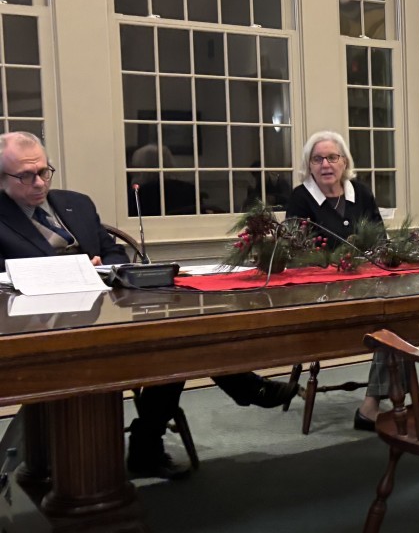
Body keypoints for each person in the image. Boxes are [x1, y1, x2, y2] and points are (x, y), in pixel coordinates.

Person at [0, 132, 297, 479]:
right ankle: (158, 438)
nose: (39, 182)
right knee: (174, 347)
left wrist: (102, 266)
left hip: (105, 308)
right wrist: (64, 271)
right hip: (39, 324)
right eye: (26, 176)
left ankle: (151, 444)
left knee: (175, 336)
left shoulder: (75, 203)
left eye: (44, 171)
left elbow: (113, 252)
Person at [285, 131, 391, 431]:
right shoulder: (300, 198)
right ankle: (384, 402)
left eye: (333, 157)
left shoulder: (361, 193)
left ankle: (371, 404)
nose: (325, 164)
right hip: (322, 294)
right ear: (309, 165)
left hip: (366, 286)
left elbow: (380, 240)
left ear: (345, 162)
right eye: (317, 159)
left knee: (398, 320)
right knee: (390, 326)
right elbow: (297, 255)